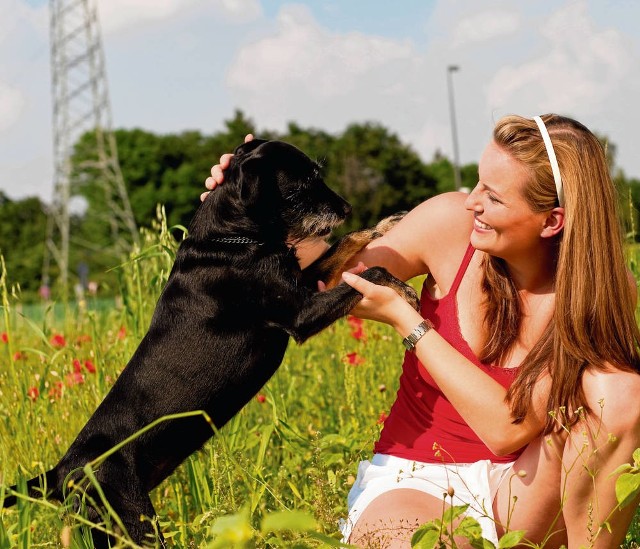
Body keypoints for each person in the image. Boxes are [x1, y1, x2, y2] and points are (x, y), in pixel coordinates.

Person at [203, 116, 640, 548]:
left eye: (493, 197)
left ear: (552, 221)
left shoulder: (599, 290)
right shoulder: (452, 225)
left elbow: (508, 430)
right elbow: (328, 281)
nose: (473, 202)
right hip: (416, 481)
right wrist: (249, 211)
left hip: (523, 487)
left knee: (623, 395)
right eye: (477, 183)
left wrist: (408, 321)